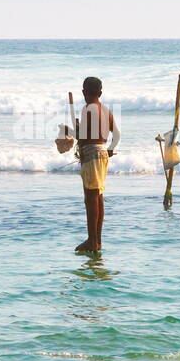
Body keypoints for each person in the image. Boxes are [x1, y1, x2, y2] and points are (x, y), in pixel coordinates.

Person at [74, 76, 119, 252]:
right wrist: (109, 149)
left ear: (84, 92)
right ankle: (97, 240)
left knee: (91, 199)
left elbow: (84, 136)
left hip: (91, 154)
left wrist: (72, 130)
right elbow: (116, 135)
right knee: (98, 197)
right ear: (100, 93)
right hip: (102, 152)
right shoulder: (107, 111)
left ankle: (92, 241)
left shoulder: (88, 109)